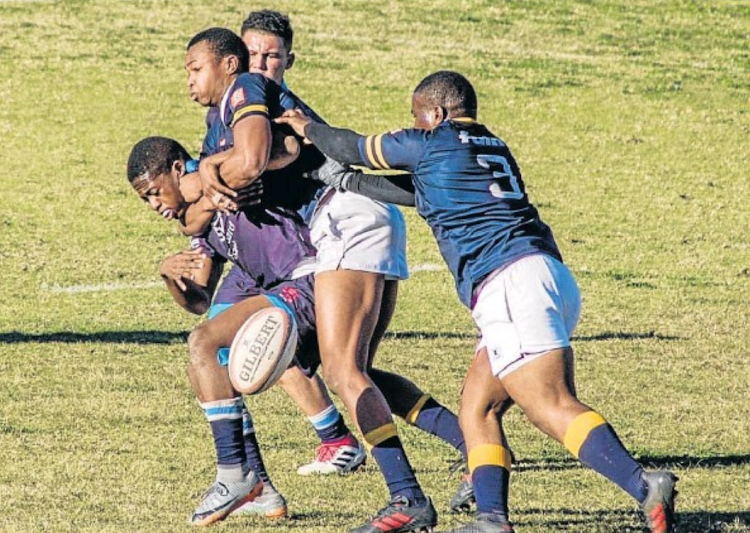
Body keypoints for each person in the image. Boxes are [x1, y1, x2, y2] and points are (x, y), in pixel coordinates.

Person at [276, 70, 679, 533]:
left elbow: (355, 145)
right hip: (544, 274)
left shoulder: (432, 139)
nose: (414, 125)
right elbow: (418, 192)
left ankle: (643, 483)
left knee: (549, 403)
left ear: (436, 112)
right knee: (477, 409)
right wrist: (350, 183)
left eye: (416, 118)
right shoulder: (491, 145)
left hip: (508, 283)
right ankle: (491, 520)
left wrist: (306, 128)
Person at [189, 15, 470, 532]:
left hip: (345, 220)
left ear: (286, 62)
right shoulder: (237, 106)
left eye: (270, 57)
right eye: (253, 55)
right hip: (357, 222)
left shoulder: (262, 99)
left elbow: (281, 151)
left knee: (345, 373)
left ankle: (407, 498)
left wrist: (213, 169)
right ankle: (472, 444)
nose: (260, 66)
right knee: (354, 370)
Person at [126, 134, 364, 524]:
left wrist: (213, 183)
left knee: (350, 373)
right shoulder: (198, 223)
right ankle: (259, 486)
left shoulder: (224, 176)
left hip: (307, 272)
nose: (154, 205)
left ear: (176, 169)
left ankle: (272, 461)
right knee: (214, 353)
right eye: (145, 200)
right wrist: (170, 277)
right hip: (260, 280)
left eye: (154, 193)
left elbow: (266, 155)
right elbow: (199, 300)